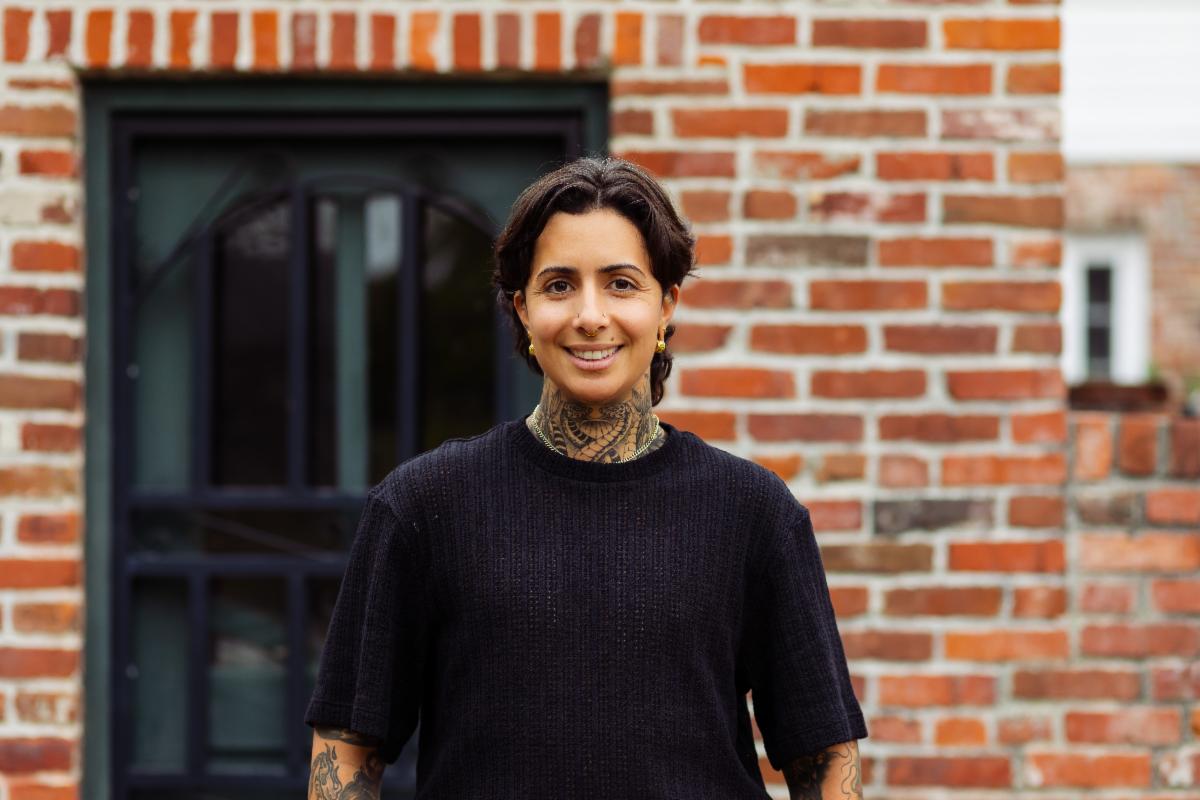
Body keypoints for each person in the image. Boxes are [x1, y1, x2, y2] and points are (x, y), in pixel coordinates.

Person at [304, 156, 868, 799]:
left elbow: (824, 757)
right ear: (522, 309)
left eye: (621, 284)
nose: (591, 315)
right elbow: (347, 751)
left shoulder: (753, 513)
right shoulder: (423, 506)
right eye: (559, 285)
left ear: (666, 304)